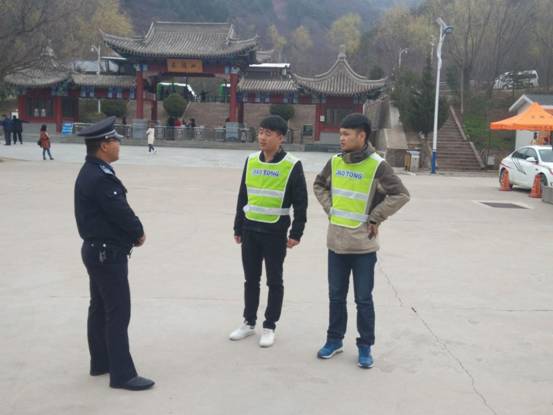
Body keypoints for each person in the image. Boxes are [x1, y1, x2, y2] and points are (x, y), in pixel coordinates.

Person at [313, 113, 410, 369]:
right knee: (336, 296)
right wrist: (330, 208)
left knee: (363, 299)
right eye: (341, 134)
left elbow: (401, 194)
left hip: (363, 247)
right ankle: (334, 340)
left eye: (346, 134)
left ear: (362, 136)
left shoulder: (378, 166)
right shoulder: (335, 162)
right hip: (336, 244)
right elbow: (319, 185)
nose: (341, 138)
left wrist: (376, 217)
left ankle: (365, 346)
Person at [74, 116, 154, 391]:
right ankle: (122, 374)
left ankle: (101, 362)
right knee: (118, 312)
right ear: (104, 145)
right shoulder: (101, 178)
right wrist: (138, 233)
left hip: (96, 251)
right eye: (115, 140)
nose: (119, 145)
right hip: (107, 255)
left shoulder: (90, 171)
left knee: (99, 308)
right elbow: (120, 212)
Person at [230, 115, 308, 347]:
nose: (262, 137)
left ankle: (269, 326)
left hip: (275, 231)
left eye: (268, 133)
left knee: (274, 280)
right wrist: (238, 226)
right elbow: (243, 195)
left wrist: (296, 233)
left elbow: (301, 203)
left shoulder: (292, 165)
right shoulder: (251, 160)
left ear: (281, 138)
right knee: (250, 279)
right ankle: (248, 322)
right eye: (261, 132)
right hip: (250, 229)